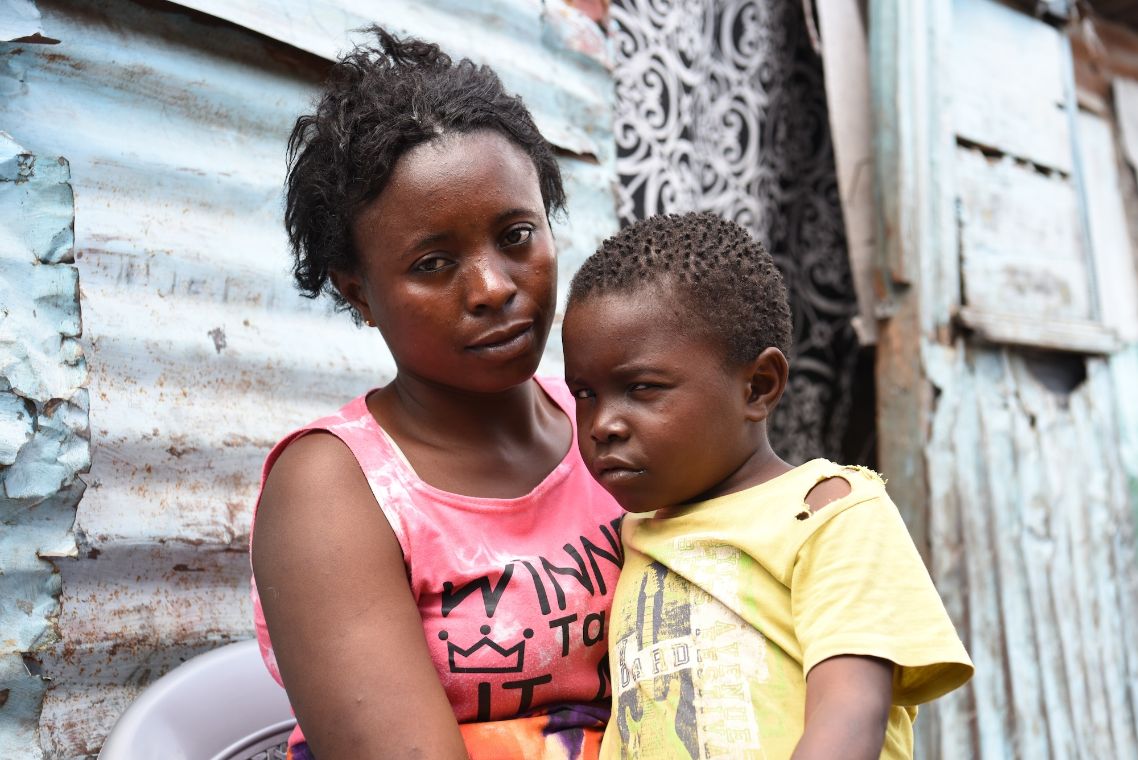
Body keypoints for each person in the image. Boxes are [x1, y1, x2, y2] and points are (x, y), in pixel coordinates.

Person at [249, 28, 625, 760]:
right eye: (433, 263)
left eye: (517, 235)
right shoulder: (334, 489)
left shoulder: (613, 424)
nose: (492, 288)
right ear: (357, 291)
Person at [561, 212, 974, 760]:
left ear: (759, 386)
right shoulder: (630, 538)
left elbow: (850, 714)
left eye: (642, 388)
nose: (602, 424)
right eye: (585, 393)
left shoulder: (831, 514)